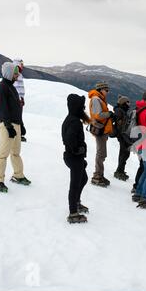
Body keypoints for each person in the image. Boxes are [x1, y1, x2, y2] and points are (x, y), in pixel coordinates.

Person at [0, 62, 31, 193]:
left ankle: (18, 176)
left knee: (16, 153)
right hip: (7, 124)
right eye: (15, 73)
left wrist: (21, 125)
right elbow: (2, 109)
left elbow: (16, 108)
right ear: (8, 73)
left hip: (16, 124)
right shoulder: (1, 87)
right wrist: (8, 126)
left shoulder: (11, 87)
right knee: (3, 154)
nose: (17, 75)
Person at [62, 94, 90, 224]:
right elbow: (69, 139)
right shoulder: (74, 122)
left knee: (83, 179)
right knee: (74, 185)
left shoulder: (72, 119)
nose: (84, 108)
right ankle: (73, 212)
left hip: (73, 157)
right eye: (82, 106)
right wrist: (78, 150)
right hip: (73, 157)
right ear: (76, 107)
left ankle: (76, 203)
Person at [88, 81, 113, 187]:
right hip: (100, 129)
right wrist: (109, 114)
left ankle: (99, 174)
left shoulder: (99, 99)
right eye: (106, 90)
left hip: (102, 129)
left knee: (102, 153)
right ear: (101, 90)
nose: (107, 92)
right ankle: (97, 176)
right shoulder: (96, 99)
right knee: (100, 153)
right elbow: (98, 115)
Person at [113, 95, 131, 181]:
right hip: (122, 135)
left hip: (123, 135)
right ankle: (119, 171)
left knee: (124, 153)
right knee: (124, 153)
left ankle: (120, 170)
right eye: (127, 102)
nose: (129, 104)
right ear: (123, 103)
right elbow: (120, 125)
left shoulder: (121, 110)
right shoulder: (119, 111)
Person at [13, 58, 27, 142]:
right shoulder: (16, 73)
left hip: (19, 99)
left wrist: (22, 98)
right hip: (17, 100)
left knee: (18, 116)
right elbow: (16, 88)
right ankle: (19, 133)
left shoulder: (18, 73)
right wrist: (19, 98)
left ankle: (20, 133)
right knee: (18, 116)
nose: (23, 65)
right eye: (21, 63)